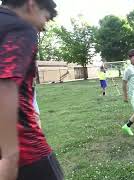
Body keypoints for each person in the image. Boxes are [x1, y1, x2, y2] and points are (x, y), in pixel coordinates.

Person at [0, 0, 63, 179]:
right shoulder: (21, 28)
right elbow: (4, 90)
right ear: (31, 4)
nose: (43, 26)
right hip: (26, 154)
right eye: (45, 17)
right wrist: (10, 157)